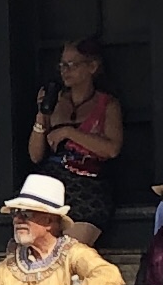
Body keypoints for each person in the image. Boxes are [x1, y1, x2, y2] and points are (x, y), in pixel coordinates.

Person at [24, 34, 126, 230]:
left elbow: (112, 149)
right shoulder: (56, 100)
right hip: (52, 182)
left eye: (72, 65)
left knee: (71, 243)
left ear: (92, 67)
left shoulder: (107, 104)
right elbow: (35, 156)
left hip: (88, 184)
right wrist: (41, 114)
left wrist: (68, 132)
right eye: (62, 65)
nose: (65, 71)